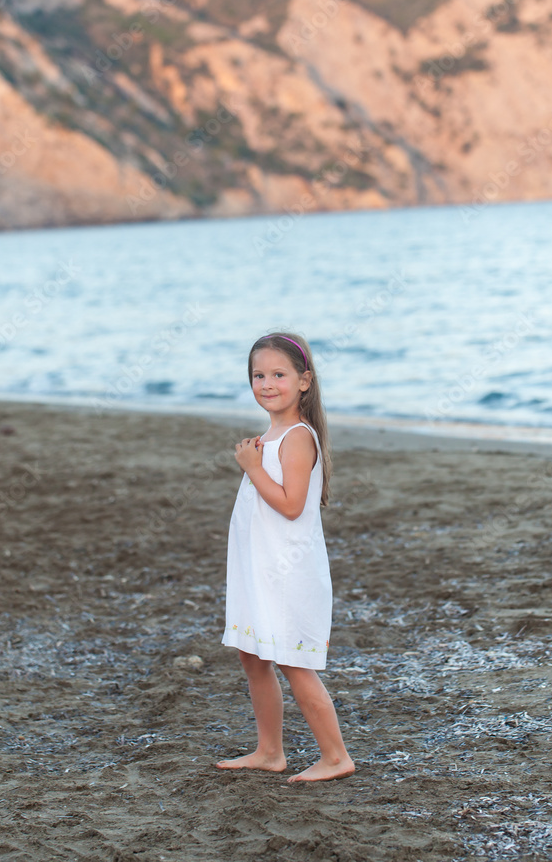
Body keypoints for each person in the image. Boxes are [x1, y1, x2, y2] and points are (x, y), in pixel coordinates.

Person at [216, 331, 354, 783]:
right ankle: (269, 750)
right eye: (259, 375)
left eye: (279, 374)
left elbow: (293, 505)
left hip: (288, 572)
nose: (267, 383)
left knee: (296, 663)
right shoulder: (271, 434)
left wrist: (253, 469)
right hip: (259, 569)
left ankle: (335, 757)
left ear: (304, 381)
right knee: (253, 657)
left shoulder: (297, 436)